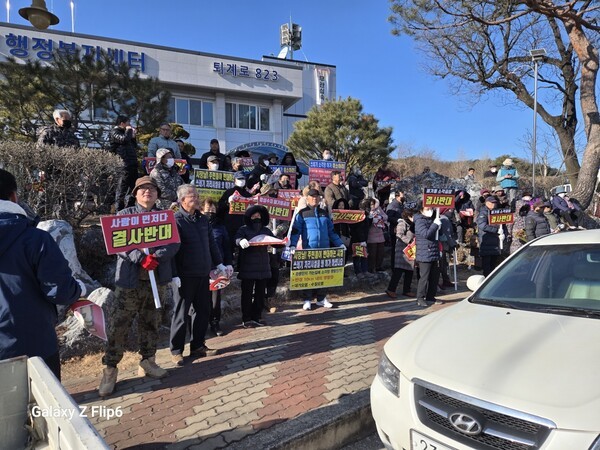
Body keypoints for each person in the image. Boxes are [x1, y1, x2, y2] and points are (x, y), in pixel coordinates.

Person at [99, 176, 180, 397]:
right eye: (142, 188)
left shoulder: (165, 217)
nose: (147, 192)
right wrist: (140, 257)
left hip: (156, 280)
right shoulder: (124, 216)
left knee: (151, 322)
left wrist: (156, 256)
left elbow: (174, 242)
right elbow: (116, 242)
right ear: (135, 194)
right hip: (129, 282)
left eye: (152, 188)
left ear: (157, 194)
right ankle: (110, 369)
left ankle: (148, 360)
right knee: (119, 325)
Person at [0, 169, 83, 381]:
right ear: (14, 197)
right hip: (33, 344)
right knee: (44, 399)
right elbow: (60, 291)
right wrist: (79, 289)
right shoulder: (35, 239)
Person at [170, 185, 226, 366]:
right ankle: (176, 351)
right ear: (182, 200)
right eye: (191, 196)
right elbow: (171, 251)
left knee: (203, 311)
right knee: (181, 313)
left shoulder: (202, 219)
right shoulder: (176, 220)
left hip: (203, 273)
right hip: (184, 276)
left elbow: (211, 243)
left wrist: (219, 263)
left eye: (196, 195)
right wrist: (173, 274)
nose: (195, 198)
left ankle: (198, 346)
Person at [289, 189, 345, 310]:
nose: (314, 198)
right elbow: (296, 231)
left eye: (316, 196)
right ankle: (307, 299)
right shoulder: (302, 213)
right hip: (309, 250)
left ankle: (321, 299)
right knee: (308, 275)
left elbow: (331, 231)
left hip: (324, 250)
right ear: (307, 198)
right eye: (312, 196)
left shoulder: (324, 213)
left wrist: (340, 243)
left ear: (320, 198)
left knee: (323, 274)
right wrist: (292, 245)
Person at [235, 205, 274, 327]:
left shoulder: (266, 230)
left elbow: (274, 241)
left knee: (260, 294)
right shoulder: (243, 229)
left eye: (258, 215)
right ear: (249, 217)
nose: (256, 217)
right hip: (248, 267)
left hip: (263, 267)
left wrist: (284, 243)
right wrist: (240, 241)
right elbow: (236, 239)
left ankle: (257, 316)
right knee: (247, 294)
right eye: (254, 215)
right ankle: (246, 318)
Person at [201, 199, 232, 337]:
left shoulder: (221, 227)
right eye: (208, 210)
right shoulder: (197, 225)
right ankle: (201, 325)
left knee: (215, 298)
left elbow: (227, 247)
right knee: (201, 298)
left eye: (213, 210)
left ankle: (215, 322)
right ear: (201, 210)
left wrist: (228, 263)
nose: (210, 213)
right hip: (200, 268)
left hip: (217, 268)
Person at [413, 203, 442, 307]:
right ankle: (420, 298)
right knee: (424, 277)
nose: (430, 208)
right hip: (424, 252)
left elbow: (435, 233)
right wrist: (435, 225)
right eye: (427, 207)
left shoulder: (432, 218)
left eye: (431, 207)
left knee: (434, 277)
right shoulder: (419, 220)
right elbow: (426, 234)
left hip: (434, 251)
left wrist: (439, 226)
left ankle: (431, 297)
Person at [109, 115, 139, 210]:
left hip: (132, 164)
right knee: (122, 188)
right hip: (123, 165)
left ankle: (130, 206)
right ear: (122, 123)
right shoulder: (114, 132)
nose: (129, 125)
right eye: (128, 123)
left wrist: (133, 137)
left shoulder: (126, 133)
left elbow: (134, 146)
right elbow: (124, 140)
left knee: (134, 187)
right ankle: (119, 209)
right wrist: (129, 130)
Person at [218, 171, 255, 247]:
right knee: (229, 246)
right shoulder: (229, 192)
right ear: (235, 180)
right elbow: (220, 207)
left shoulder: (248, 194)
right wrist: (227, 202)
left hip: (244, 225)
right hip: (230, 225)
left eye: (243, 179)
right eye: (239, 179)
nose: (241, 181)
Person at [385, 208, 416, 299]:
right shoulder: (402, 223)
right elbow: (399, 234)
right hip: (402, 250)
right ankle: (391, 289)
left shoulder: (412, 224)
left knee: (410, 270)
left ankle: (407, 290)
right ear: (408, 216)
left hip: (410, 250)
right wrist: (409, 241)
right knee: (398, 271)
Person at [476, 196, 505, 277]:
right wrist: (496, 230)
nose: (494, 204)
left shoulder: (496, 212)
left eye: (495, 203)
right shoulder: (483, 213)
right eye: (492, 203)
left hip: (495, 242)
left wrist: (503, 232)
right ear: (487, 203)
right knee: (487, 265)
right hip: (486, 241)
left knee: (493, 264)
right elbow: (482, 225)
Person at [349, 199, 371, 280]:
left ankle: (365, 270)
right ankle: (358, 272)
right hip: (357, 239)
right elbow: (359, 228)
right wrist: (362, 240)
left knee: (364, 254)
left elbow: (367, 226)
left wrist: (370, 218)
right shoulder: (359, 215)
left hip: (363, 238)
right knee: (357, 255)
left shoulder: (365, 214)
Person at [366, 198, 388, 273]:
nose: (372, 206)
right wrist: (371, 220)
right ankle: (371, 268)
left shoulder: (378, 209)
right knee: (372, 253)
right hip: (371, 234)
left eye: (373, 204)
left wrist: (380, 217)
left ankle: (378, 266)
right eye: (371, 204)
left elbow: (386, 216)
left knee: (380, 252)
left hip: (380, 233)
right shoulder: (366, 211)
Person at [386, 191, 405, 268]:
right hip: (395, 230)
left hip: (402, 229)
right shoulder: (392, 205)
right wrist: (398, 220)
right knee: (395, 249)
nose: (404, 197)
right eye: (402, 196)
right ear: (397, 196)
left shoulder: (401, 205)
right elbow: (389, 217)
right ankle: (394, 267)